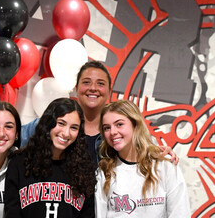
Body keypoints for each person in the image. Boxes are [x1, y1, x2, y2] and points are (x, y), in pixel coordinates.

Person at [21, 60, 178, 165]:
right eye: (86, 82)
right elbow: (13, 138)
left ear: (109, 90)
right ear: (76, 88)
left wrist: (160, 152)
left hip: (108, 212)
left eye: (100, 84)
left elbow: (147, 149)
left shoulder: (122, 129)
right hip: (64, 211)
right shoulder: (54, 123)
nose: (93, 88)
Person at [1, 98, 97, 218]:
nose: (66, 133)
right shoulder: (20, 163)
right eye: (61, 123)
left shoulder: (84, 169)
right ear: (48, 123)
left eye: (74, 128)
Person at [95, 100, 190, 218]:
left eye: (119, 124)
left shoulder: (165, 165)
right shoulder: (104, 171)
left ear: (135, 124)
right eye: (106, 128)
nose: (113, 132)